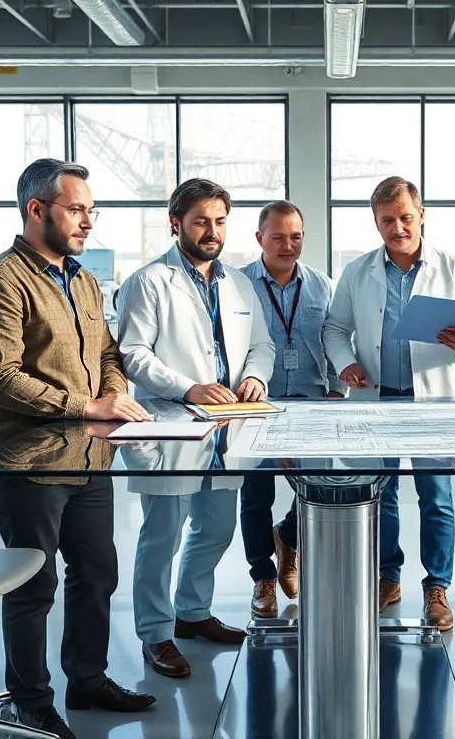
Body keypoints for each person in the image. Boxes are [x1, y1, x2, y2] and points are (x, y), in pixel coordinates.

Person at [0, 158, 157, 739]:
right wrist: (87, 406)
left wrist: (114, 397)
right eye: (76, 210)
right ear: (36, 209)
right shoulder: (0, 281)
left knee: (97, 573)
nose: (87, 222)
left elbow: (107, 354)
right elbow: (1, 379)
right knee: (33, 584)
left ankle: (87, 681)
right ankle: (29, 701)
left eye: (91, 211)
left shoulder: (83, 279)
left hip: (89, 456)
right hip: (26, 463)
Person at [116, 177, 276, 679]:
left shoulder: (239, 283)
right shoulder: (148, 281)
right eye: (201, 221)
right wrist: (188, 388)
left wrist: (255, 376)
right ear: (176, 224)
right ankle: (155, 634)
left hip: (228, 427)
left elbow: (262, 345)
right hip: (171, 426)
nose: (212, 231)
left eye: (220, 221)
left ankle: (192, 612)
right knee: (162, 536)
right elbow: (133, 354)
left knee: (217, 528)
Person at [321, 175, 455, 631]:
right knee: (381, 495)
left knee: (436, 497)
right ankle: (388, 577)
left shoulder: (451, 266)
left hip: (430, 401)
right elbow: (335, 329)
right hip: (375, 399)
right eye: (386, 220)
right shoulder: (358, 271)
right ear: (375, 222)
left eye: (405, 217)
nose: (397, 228)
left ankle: (437, 587)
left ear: (421, 215)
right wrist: (345, 364)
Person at [238, 200, 345, 617]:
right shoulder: (238, 284)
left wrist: (337, 389)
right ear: (260, 238)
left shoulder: (321, 286)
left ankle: (288, 537)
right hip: (256, 404)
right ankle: (263, 578)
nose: (288, 245)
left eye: (296, 237)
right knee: (255, 495)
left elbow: (335, 338)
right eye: (278, 237)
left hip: (312, 404)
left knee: (318, 488)